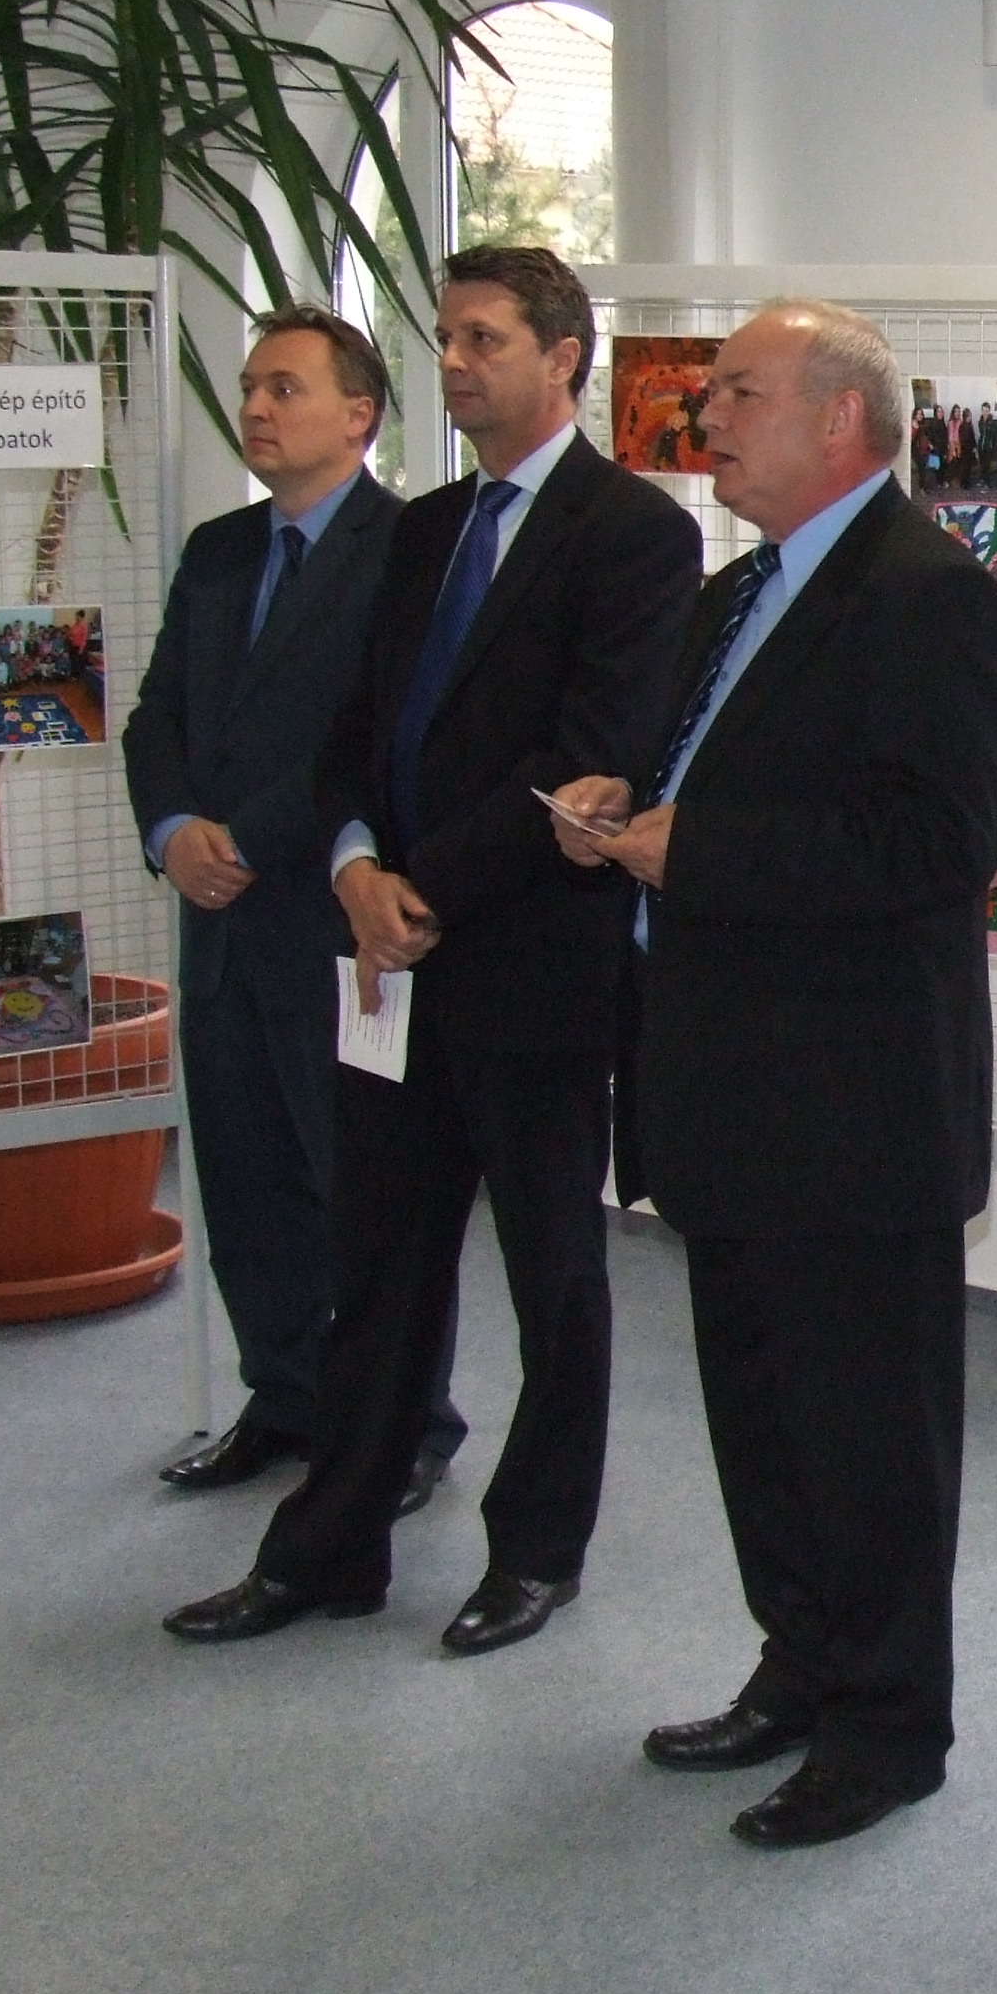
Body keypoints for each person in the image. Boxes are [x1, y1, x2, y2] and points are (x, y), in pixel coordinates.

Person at [165, 246, 700, 1653]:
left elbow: (589, 757)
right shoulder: (428, 528)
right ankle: (327, 1550)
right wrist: (353, 865)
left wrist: (416, 886)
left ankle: (536, 1553)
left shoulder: (635, 534)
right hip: (388, 963)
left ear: (562, 357)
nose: (453, 363)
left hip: (531, 967)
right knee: (380, 1271)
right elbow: (354, 732)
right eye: (447, 338)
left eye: (483, 339)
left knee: (553, 1281)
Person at [547, 301, 997, 1849]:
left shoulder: (932, 595)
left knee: (869, 1437)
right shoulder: (734, 590)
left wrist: (700, 849)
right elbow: (703, 781)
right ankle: (800, 1669)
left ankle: (888, 1730)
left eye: (740, 392)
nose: (705, 418)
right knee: (762, 1418)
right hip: (724, 1084)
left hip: (855, 1105)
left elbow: (937, 844)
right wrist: (625, 803)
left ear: (840, 420)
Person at [126, 309, 468, 1514]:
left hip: (333, 926)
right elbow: (158, 717)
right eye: (249, 387)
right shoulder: (221, 551)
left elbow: (373, 739)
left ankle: (408, 1428)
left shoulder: (410, 549)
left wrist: (244, 839)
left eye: (285, 388)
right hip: (219, 930)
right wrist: (173, 829)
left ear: (359, 415)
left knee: (363, 1197)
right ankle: (285, 1399)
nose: (256, 408)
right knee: (246, 1186)